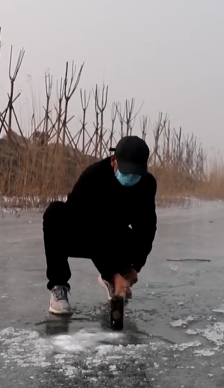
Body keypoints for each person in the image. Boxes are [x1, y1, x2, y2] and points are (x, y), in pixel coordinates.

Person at [42, 135, 158, 315]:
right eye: (127, 171)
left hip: (115, 236)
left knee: (126, 235)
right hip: (82, 235)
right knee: (55, 213)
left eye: (136, 173)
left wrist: (133, 269)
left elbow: (147, 228)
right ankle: (59, 286)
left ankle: (115, 280)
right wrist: (112, 272)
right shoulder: (93, 177)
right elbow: (88, 228)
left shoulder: (147, 184)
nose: (131, 177)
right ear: (114, 161)